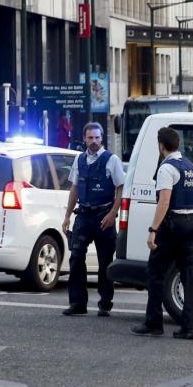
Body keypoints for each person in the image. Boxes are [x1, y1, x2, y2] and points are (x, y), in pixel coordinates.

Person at [132, 127, 193, 340]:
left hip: (172, 225)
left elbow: (164, 201)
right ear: (178, 145)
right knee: (188, 276)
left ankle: (154, 323)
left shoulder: (166, 169)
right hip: (191, 223)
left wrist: (153, 230)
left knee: (156, 272)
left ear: (161, 146)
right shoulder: (191, 167)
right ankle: (189, 327)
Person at [61, 122, 125, 317]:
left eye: (97, 138)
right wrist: (67, 216)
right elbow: (74, 189)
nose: (94, 141)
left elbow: (121, 188)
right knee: (76, 257)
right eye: (90, 138)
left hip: (103, 216)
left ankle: (105, 303)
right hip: (84, 215)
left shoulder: (111, 160)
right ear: (85, 139)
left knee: (105, 261)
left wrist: (113, 213)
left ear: (102, 138)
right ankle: (78, 303)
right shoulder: (79, 160)